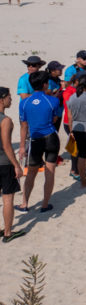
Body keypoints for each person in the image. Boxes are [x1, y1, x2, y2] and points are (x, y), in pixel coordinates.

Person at [17, 71, 61, 212]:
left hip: (35, 139)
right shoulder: (53, 100)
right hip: (51, 137)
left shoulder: (24, 103)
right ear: (45, 84)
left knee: (31, 172)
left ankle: (24, 203)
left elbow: (24, 126)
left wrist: (22, 146)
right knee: (50, 171)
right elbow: (54, 119)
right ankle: (45, 204)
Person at [0, 86, 26, 242]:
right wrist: (16, 165)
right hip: (4, 163)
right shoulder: (6, 120)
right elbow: (7, 145)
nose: (11, 99)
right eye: (9, 96)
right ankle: (8, 233)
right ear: (2, 99)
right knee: (8, 198)